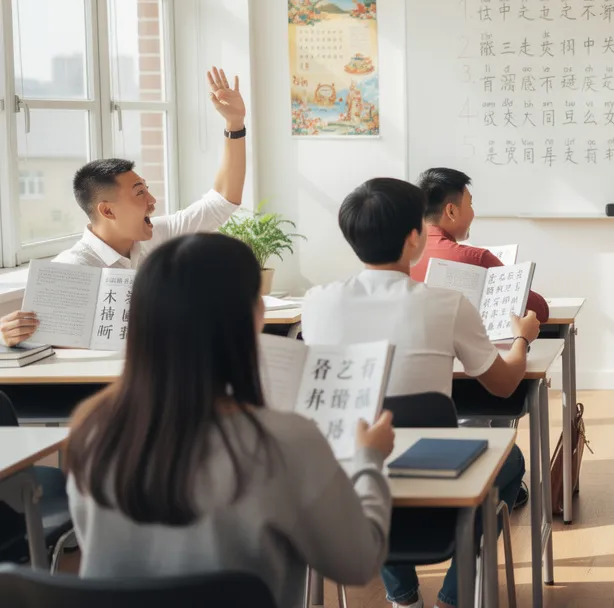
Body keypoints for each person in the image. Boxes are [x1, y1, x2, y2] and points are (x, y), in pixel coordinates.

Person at [64, 234, 393, 608]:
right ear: (250, 316)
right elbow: (358, 563)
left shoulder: (91, 430)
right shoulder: (285, 440)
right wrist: (369, 462)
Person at [302, 178, 538, 608]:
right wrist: (522, 338)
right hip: (436, 491)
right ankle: (452, 596)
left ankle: (403, 596)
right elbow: (503, 386)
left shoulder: (316, 302)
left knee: (368, 432)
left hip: (339, 496)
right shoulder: (445, 304)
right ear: (414, 239)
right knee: (512, 460)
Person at [0, 67, 248, 347]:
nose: (152, 202)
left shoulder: (156, 237)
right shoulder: (70, 269)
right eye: (140, 193)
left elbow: (222, 202)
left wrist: (235, 124)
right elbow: (37, 345)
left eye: (147, 189)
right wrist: (8, 335)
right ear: (107, 211)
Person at [410, 166, 550, 323]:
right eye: (470, 204)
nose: (472, 212)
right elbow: (539, 310)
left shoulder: (400, 255)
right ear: (451, 211)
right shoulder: (475, 258)